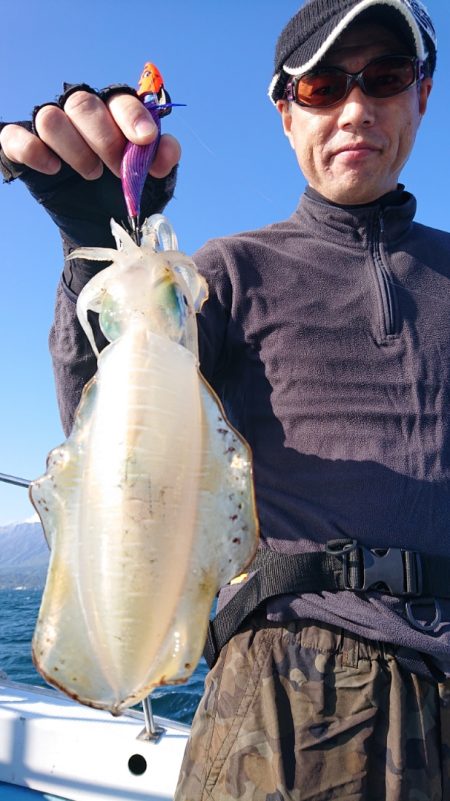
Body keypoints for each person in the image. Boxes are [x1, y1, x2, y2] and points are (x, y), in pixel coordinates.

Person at [1, 0, 450, 798]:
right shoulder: (227, 273)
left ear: (421, 93)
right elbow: (108, 428)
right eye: (321, 87)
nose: (354, 108)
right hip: (283, 689)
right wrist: (91, 255)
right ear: (285, 113)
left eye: (383, 78)